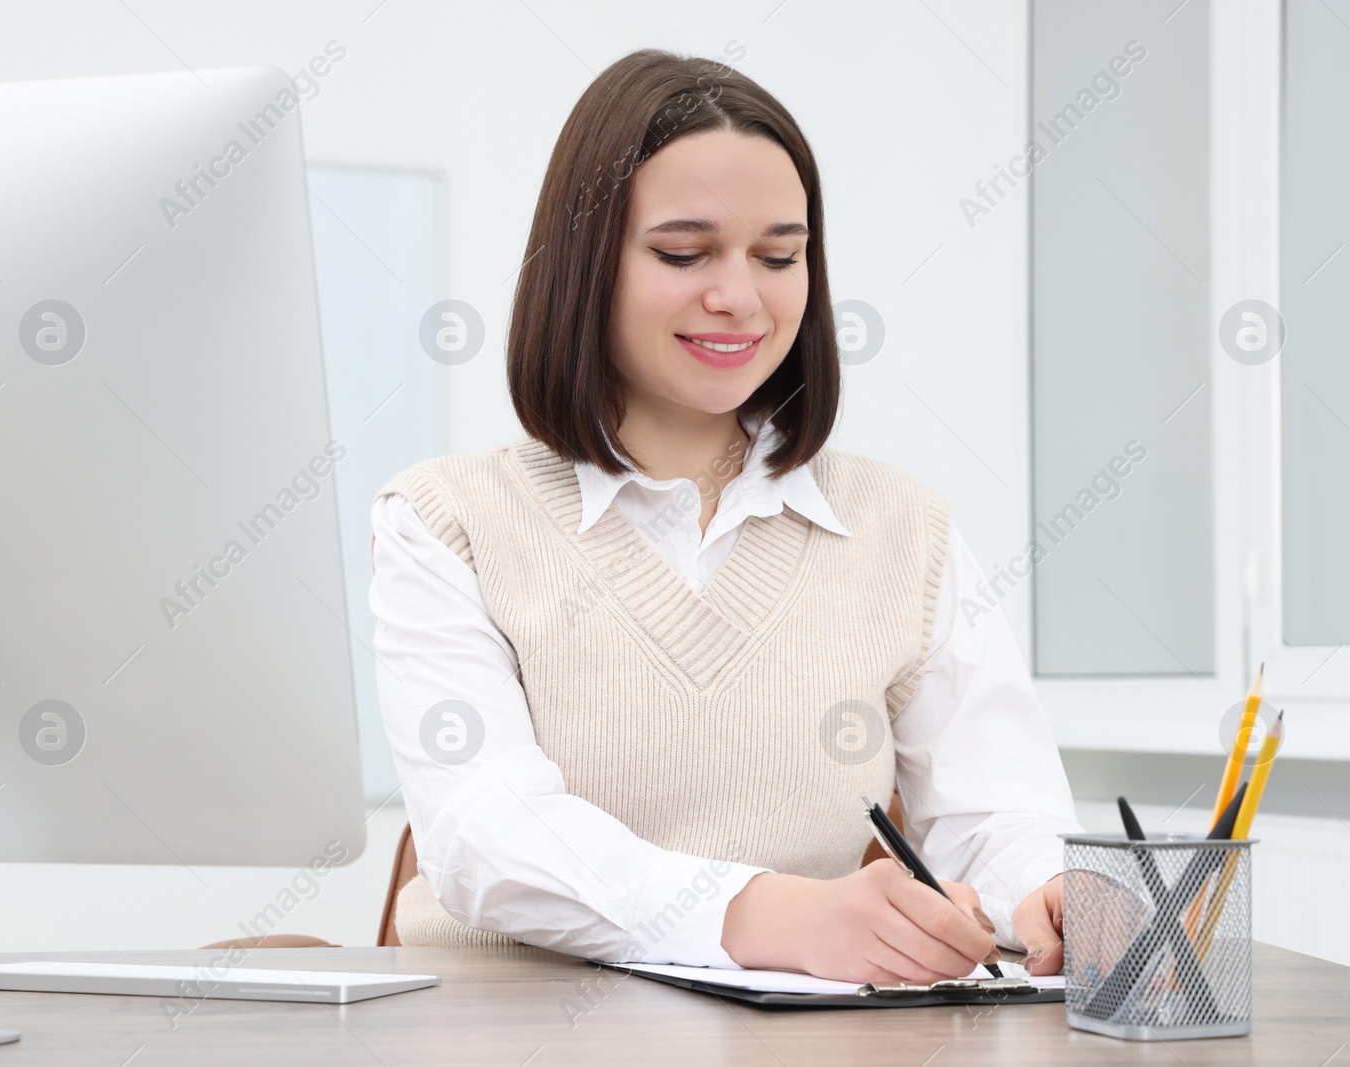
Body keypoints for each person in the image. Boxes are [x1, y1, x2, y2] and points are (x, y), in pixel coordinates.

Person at [369, 48, 1080, 983]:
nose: (740, 296)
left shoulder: (905, 529)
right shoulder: (445, 520)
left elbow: (996, 811)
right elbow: (483, 835)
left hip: (794, 1039)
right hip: (505, 1027)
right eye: (682, 252)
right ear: (586, 265)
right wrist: (771, 913)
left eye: (780, 255)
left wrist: (1052, 893)